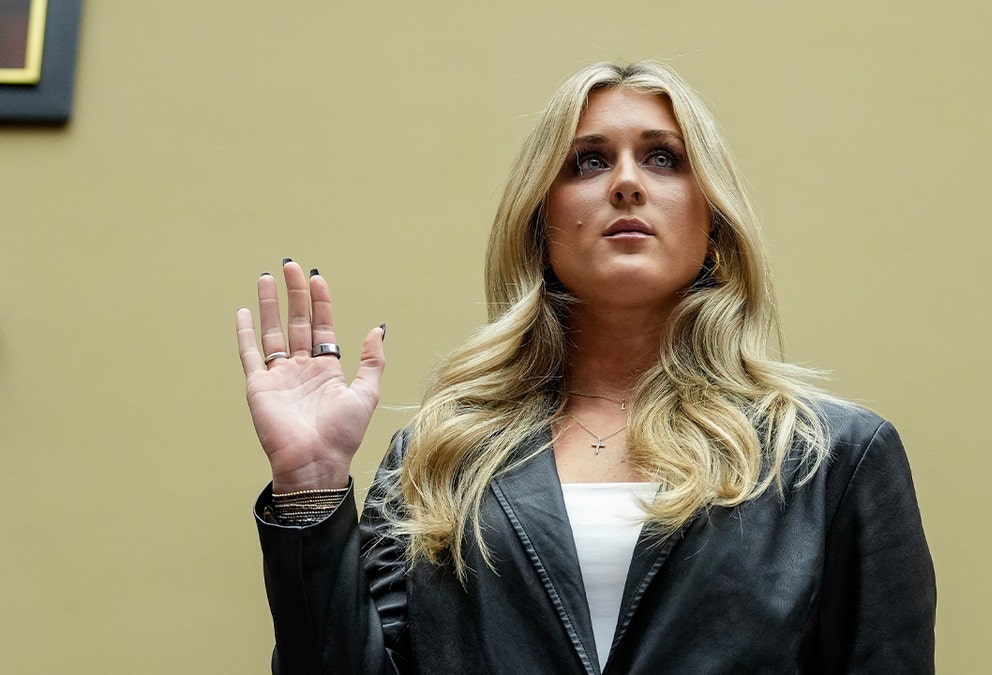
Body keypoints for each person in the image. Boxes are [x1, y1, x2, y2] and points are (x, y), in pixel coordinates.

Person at [236, 61, 935, 674]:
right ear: (540, 226)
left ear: (714, 226)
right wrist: (311, 488)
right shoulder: (439, 456)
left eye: (663, 158)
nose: (627, 182)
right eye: (588, 162)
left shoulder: (832, 458)